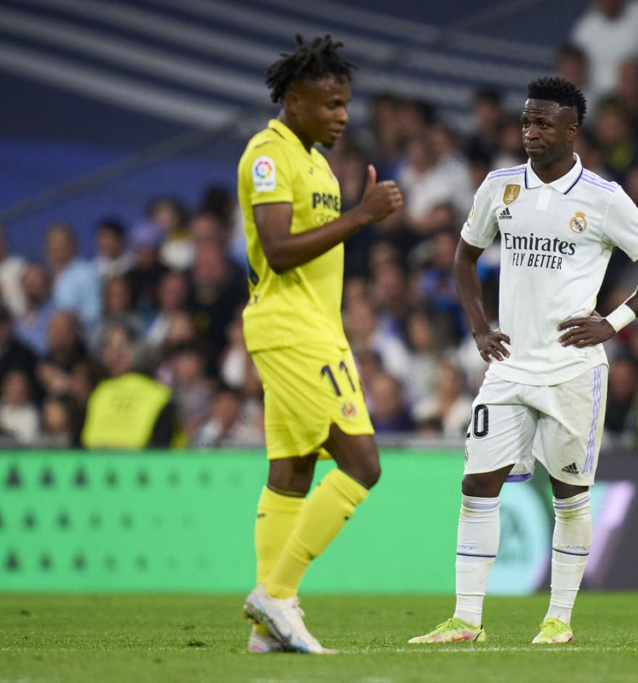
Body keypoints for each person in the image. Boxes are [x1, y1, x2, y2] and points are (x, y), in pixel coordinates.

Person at [410, 77, 638, 646]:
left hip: (572, 370)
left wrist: (614, 322)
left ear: (572, 130)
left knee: (569, 495)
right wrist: (479, 328)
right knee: (477, 484)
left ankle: (557, 620)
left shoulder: (603, 198)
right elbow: (464, 257)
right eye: (527, 121)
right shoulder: (499, 187)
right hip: (508, 368)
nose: (531, 132)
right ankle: (466, 620)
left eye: (544, 124)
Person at [238, 35, 403, 655]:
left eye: (346, 104)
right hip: (291, 330)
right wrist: (361, 216)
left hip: (315, 328)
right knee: (362, 464)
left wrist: (356, 213)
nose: (342, 115)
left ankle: (267, 629)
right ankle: (277, 594)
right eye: (331, 104)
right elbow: (278, 251)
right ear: (295, 99)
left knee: (294, 470)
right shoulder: (268, 155)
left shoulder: (317, 161)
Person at [80, 325, 184, 450]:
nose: (115, 354)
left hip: (95, 464)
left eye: (121, 350)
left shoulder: (102, 390)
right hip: (141, 464)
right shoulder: (161, 395)